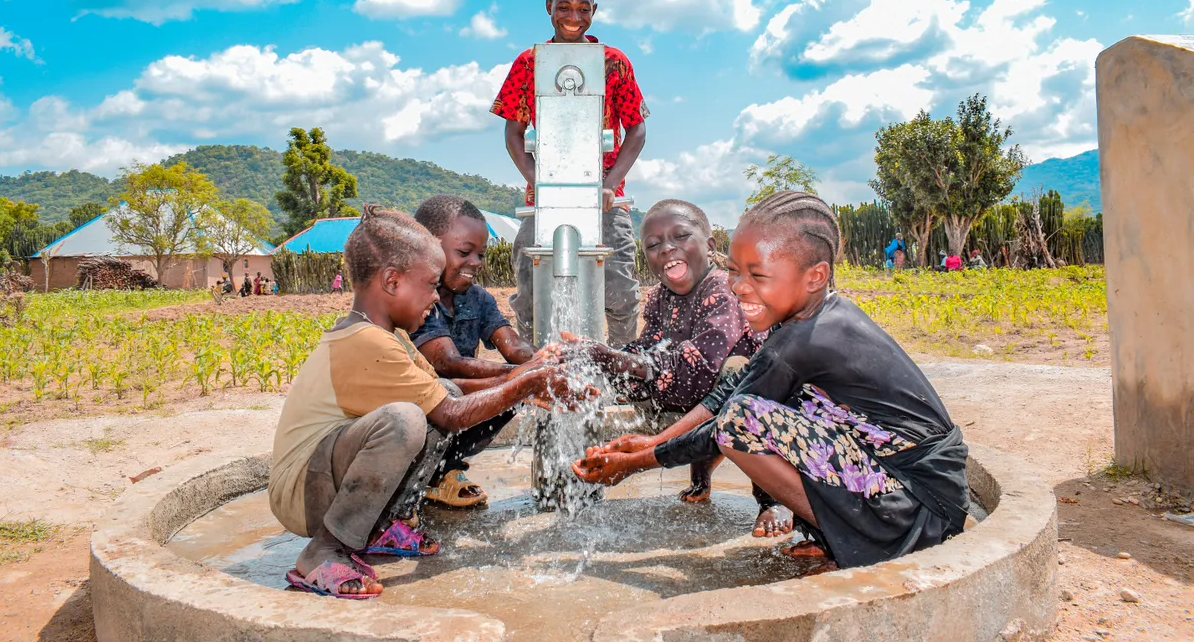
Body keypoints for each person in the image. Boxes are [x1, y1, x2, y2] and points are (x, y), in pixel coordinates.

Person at [573, 192, 970, 571]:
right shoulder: (811, 320)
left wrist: (636, 463)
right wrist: (655, 441)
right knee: (746, 401)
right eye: (734, 270)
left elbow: (723, 425)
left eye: (758, 275)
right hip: (924, 492)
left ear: (815, 276)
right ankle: (836, 531)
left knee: (741, 421)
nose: (739, 286)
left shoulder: (810, 339)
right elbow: (733, 388)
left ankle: (864, 541)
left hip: (919, 507)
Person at [269, 206, 593, 599]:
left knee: (445, 395)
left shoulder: (387, 335)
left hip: (323, 479)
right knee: (405, 420)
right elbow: (451, 416)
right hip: (301, 492)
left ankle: (377, 528)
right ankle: (322, 553)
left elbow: (447, 389)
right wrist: (527, 383)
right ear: (391, 282)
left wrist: (528, 378)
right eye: (429, 285)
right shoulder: (365, 341)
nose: (433, 298)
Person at [558, 199, 792, 537]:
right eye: (654, 245)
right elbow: (646, 348)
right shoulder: (658, 297)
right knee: (606, 376)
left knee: (735, 372)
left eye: (680, 237)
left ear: (710, 246)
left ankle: (772, 498)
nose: (667, 248)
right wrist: (603, 358)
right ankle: (587, 477)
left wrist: (615, 359)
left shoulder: (723, 291)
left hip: (743, 400)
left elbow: (700, 367)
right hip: (686, 392)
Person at [491, 0, 648, 348]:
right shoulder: (529, 63)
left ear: (595, 10)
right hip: (544, 199)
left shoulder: (614, 63)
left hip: (604, 199)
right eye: (565, 6)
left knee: (621, 293)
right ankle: (533, 374)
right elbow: (513, 132)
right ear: (549, 7)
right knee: (530, 291)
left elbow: (637, 129)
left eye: (584, 8)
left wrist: (609, 186)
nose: (574, 16)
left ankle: (622, 373)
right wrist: (538, 183)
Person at [410, 195, 536, 508]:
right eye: (465, 252)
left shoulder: (476, 298)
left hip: (453, 407)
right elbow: (447, 362)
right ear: (428, 247)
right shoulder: (412, 299)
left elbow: (513, 345)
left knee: (510, 394)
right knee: (460, 387)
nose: (476, 263)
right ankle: (414, 475)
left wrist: (553, 361)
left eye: (480, 254)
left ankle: (444, 471)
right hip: (415, 413)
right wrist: (526, 376)